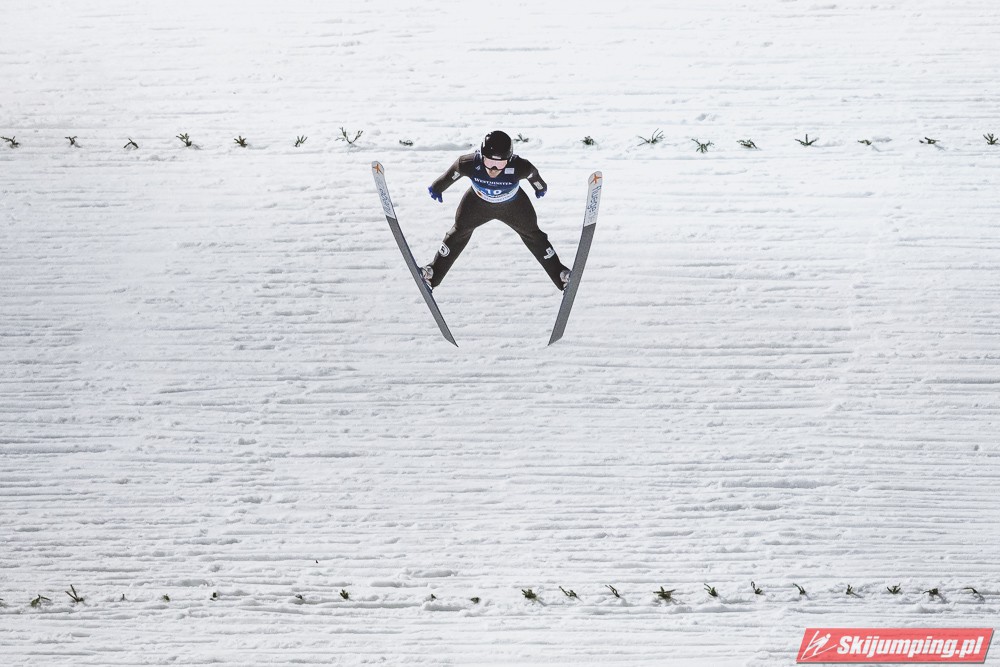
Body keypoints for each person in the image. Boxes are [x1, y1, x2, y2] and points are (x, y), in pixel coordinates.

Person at [421, 130, 570, 292]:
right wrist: (437, 188)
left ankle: (561, 275)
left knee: (534, 236)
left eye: (499, 164)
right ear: (481, 155)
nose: (493, 168)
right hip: (477, 205)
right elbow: (451, 175)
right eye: (489, 161)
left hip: (513, 207)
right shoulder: (468, 163)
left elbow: (534, 176)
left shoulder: (520, 166)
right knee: (458, 233)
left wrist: (540, 188)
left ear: (510, 159)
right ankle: (432, 274)